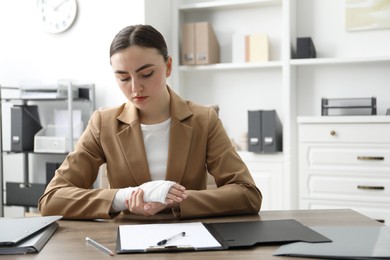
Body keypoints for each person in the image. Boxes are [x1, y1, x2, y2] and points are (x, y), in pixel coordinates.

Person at [38, 24, 262, 220]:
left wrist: (178, 200)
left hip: (191, 237)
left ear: (168, 66)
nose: (135, 88)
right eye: (123, 78)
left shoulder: (204, 120)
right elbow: (52, 198)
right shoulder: (103, 123)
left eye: (146, 74)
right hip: (125, 238)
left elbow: (248, 194)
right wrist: (123, 198)